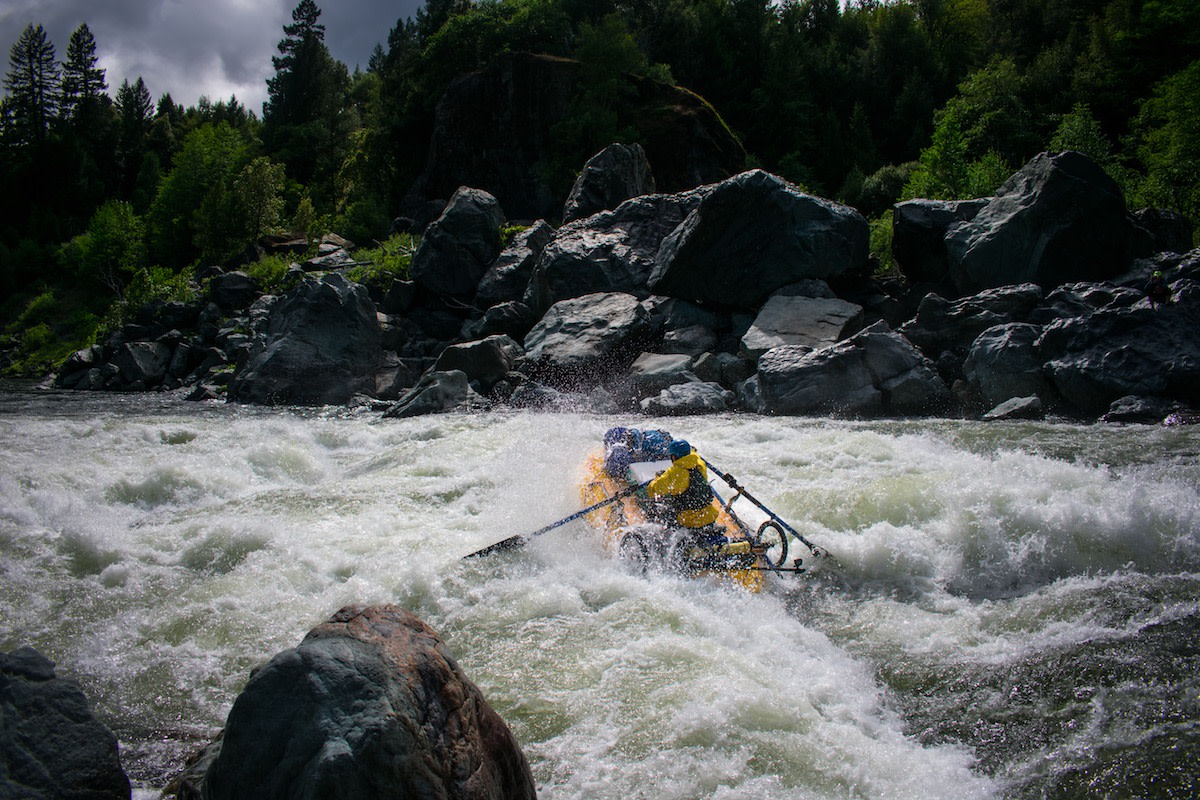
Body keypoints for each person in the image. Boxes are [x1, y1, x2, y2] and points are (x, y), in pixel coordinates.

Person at [646, 439, 728, 550]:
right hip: (708, 516)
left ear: (673, 457)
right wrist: (693, 450)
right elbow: (695, 455)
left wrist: (657, 479)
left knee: (659, 509)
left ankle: (663, 543)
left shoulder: (674, 472)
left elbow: (653, 490)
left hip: (687, 520)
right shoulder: (700, 464)